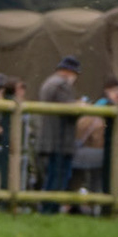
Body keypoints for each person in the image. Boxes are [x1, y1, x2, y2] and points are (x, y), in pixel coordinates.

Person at [36, 56, 81, 201]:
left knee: (52, 176)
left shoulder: (49, 82)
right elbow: (69, 111)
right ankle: (50, 209)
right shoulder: (62, 85)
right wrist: (80, 107)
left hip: (50, 137)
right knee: (58, 177)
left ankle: (47, 208)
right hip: (60, 139)